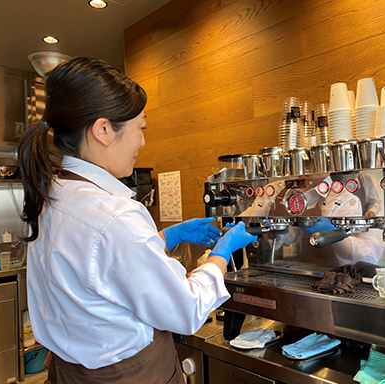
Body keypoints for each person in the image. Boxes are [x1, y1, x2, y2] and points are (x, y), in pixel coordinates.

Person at [18, 57, 257, 384]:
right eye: (140, 127)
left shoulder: (54, 193)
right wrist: (221, 253)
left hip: (68, 372)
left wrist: (166, 236)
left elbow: (95, 269)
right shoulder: (113, 214)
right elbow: (185, 310)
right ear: (103, 130)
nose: (142, 141)